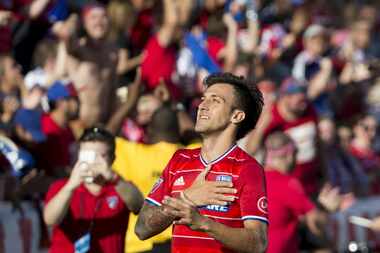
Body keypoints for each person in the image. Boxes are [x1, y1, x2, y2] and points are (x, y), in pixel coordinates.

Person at [135, 73, 268, 253]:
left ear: (236, 116)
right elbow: (142, 229)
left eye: (215, 100)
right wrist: (186, 199)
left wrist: (203, 223)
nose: (202, 106)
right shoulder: (179, 159)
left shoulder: (247, 168)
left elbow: (258, 243)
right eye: (203, 99)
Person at [43, 126, 144, 253]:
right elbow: (50, 220)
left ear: (112, 159)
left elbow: (139, 206)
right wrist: (70, 186)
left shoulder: (120, 187)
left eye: (101, 156)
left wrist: (114, 178)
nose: (93, 161)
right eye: (87, 155)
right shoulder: (61, 187)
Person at [113, 104, 183, 253]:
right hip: (178, 242)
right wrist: (174, 103)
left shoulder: (133, 153)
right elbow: (194, 134)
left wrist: (130, 100)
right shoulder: (191, 153)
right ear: (179, 131)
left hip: (139, 243)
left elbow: (105, 136)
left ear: (149, 131)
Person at [264, 131, 342, 253]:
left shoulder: (254, 179)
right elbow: (315, 224)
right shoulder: (288, 183)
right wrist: (327, 209)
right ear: (290, 155)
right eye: (296, 154)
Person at [41, 80, 78, 177]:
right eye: (73, 98)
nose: (78, 103)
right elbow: (58, 171)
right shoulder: (47, 127)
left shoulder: (66, 126)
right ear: (60, 102)